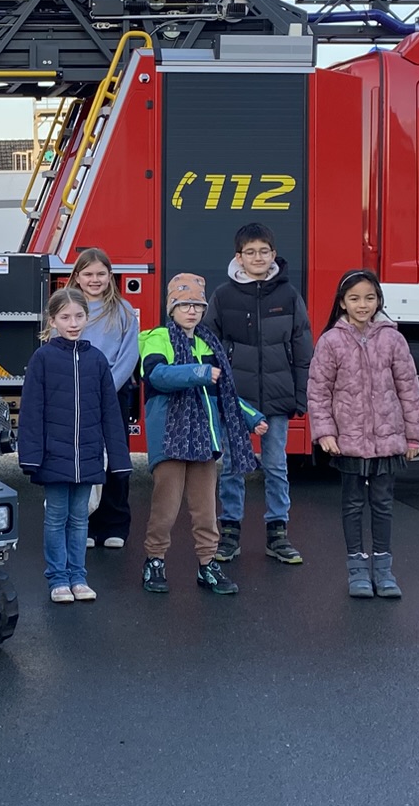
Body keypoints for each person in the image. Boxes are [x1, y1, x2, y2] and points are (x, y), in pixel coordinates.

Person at [137, 273, 264, 597]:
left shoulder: (209, 343)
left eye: (197, 305)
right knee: (165, 508)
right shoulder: (156, 338)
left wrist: (251, 418)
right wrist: (199, 372)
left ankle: (207, 564)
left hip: (205, 440)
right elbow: (157, 376)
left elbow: (223, 393)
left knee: (206, 510)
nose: (191, 311)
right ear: (171, 308)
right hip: (170, 437)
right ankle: (154, 560)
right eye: (184, 305)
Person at [306, 270, 419, 601]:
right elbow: (318, 391)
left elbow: (409, 388)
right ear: (342, 302)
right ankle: (357, 570)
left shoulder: (392, 339)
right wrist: (325, 431)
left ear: (378, 301)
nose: (363, 305)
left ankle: (384, 570)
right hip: (349, 441)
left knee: (383, 504)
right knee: (353, 504)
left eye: (369, 298)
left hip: (387, 439)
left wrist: (413, 436)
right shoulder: (331, 341)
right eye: (355, 298)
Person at [202, 223, 313, 567]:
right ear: (239, 257)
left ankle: (277, 533)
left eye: (264, 251)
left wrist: (301, 395)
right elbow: (209, 345)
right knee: (233, 466)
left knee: (277, 466)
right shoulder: (223, 295)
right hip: (237, 399)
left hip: (277, 399)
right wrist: (218, 391)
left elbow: (302, 347)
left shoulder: (289, 295)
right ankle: (230, 532)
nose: (258, 257)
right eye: (250, 252)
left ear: (273, 254)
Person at [17, 287, 128, 605]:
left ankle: (78, 577)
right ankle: (58, 579)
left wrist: (118, 459)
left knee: (80, 517)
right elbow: (31, 412)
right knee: (55, 517)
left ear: (87, 317)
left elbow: (110, 413)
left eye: (79, 316)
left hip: (90, 455)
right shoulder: (43, 358)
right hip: (54, 455)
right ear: (52, 321)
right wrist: (32, 457)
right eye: (65, 317)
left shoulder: (97, 360)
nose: (73, 322)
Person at [71, 248, 140, 551]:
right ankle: (85, 523)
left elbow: (129, 355)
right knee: (83, 461)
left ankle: (115, 524)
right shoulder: (68, 308)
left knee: (115, 460)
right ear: (77, 277)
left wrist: (106, 388)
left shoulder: (123, 310)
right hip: (77, 394)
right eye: (88, 274)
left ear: (110, 277)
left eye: (101, 274)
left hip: (112, 394)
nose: (94, 279)